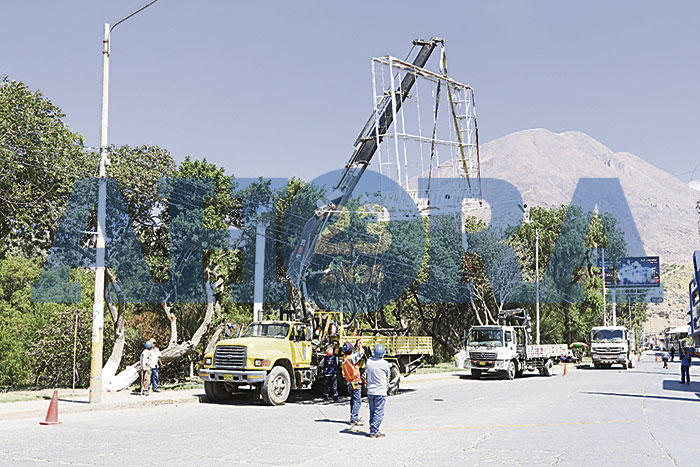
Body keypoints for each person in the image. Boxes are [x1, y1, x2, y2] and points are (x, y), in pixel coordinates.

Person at [365, 344, 391, 438]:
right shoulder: (385, 364)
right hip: (380, 391)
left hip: (371, 391)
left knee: (372, 411)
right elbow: (388, 375)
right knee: (378, 411)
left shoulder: (369, 362)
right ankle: (374, 431)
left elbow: (367, 373)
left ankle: (372, 428)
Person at [342, 340, 364, 427]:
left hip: (349, 382)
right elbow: (361, 353)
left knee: (353, 401)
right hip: (355, 382)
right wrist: (360, 346)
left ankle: (353, 416)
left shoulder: (345, 358)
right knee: (357, 401)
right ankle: (354, 418)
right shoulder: (352, 358)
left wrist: (355, 346)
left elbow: (352, 353)